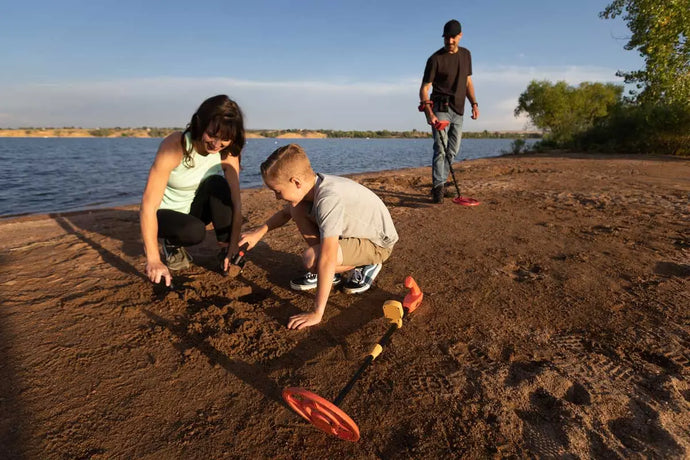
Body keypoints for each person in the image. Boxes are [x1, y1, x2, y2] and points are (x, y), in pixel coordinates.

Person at [239, 144, 398, 330]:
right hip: (357, 234)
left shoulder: (328, 199)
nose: (276, 197)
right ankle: (330, 273)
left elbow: (328, 256)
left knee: (312, 259)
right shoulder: (314, 184)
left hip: (378, 244)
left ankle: (366, 264)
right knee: (295, 208)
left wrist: (317, 312)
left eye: (277, 191)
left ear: (296, 182)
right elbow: (285, 214)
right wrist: (258, 232)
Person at [140, 94, 246, 287]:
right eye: (212, 135)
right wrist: (154, 259)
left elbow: (236, 204)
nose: (216, 145)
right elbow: (148, 205)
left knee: (218, 184)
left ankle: (224, 253)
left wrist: (233, 247)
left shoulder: (227, 152)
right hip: (163, 215)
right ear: (200, 123)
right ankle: (171, 243)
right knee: (194, 231)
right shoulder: (175, 145)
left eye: (225, 139)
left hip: (193, 209)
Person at [419, 19, 480, 203]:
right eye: (446, 37)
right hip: (440, 109)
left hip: (459, 110)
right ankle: (438, 188)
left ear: (460, 36)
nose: (449, 41)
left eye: (453, 37)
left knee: (452, 150)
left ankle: (442, 182)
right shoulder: (435, 59)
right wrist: (429, 113)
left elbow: (468, 82)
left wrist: (474, 103)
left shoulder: (466, 55)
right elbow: (424, 88)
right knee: (440, 148)